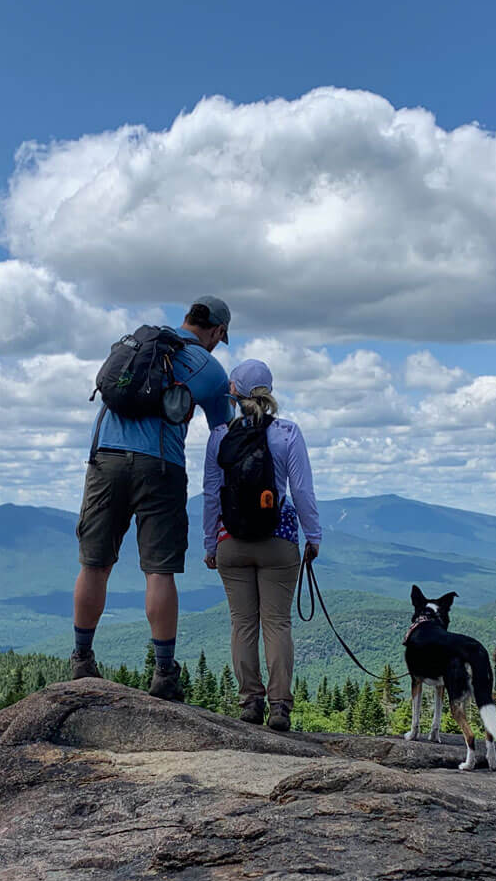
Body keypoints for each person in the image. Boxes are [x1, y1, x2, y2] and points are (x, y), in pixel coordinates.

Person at [70, 297, 234, 702]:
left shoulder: (137, 344)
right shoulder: (209, 368)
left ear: (185, 320)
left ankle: (81, 659)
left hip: (105, 458)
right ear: (215, 332)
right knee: (159, 571)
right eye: (220, 338)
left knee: (94, 564)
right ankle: (163, 674)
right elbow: (224, 432)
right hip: (160, 466)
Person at [202, 358, 321, 732]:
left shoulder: (220, 435)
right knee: (277, 623)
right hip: (279, 539)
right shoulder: (288, 433)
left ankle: (250, 702)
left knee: (242, 623)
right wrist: (313, 536)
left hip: (231, 542)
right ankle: (280, 707)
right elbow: (301, 490)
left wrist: (210, 542)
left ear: (233, 393)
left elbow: (210, 494)